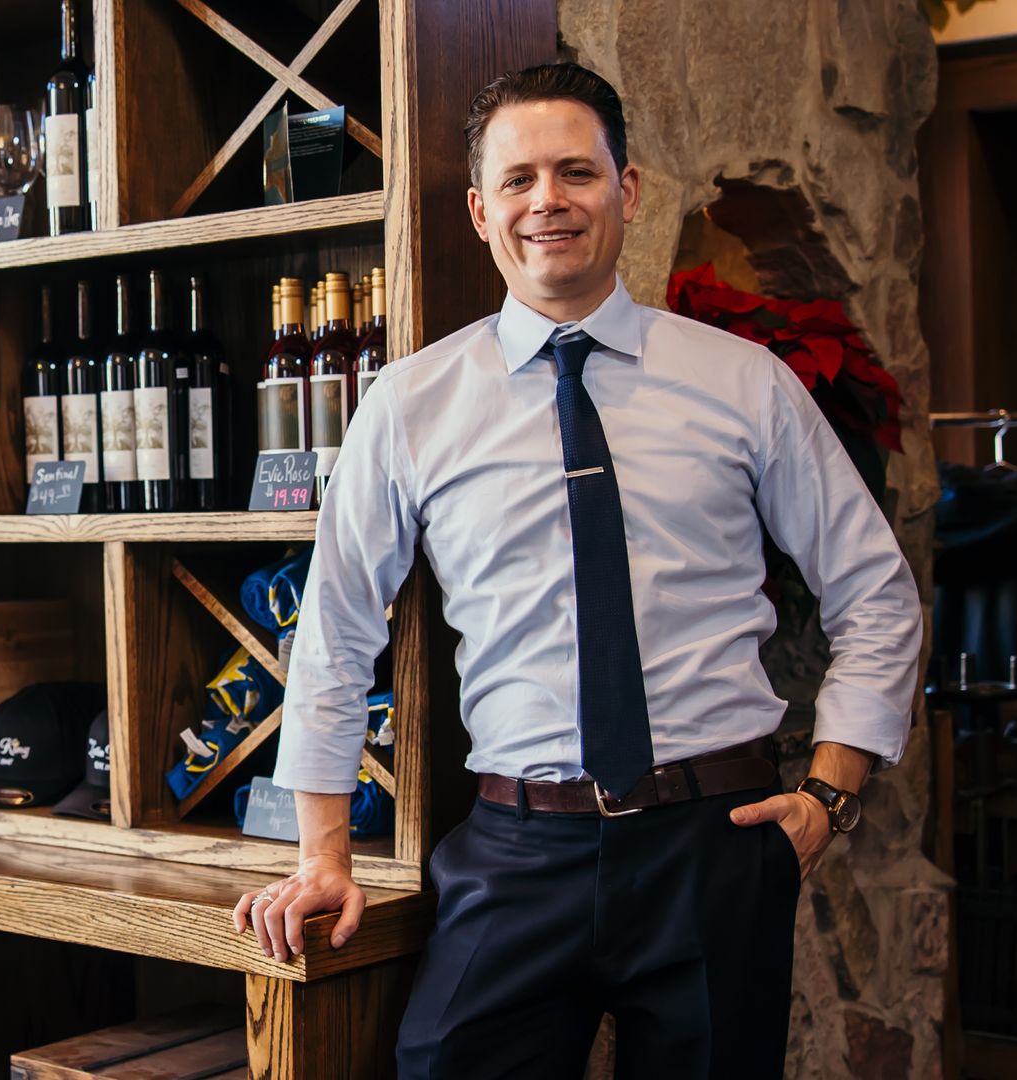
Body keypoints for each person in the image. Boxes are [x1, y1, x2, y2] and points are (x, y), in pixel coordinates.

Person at [230, 62, 921, 1078]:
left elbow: (875, 592)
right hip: (516, 854)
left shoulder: (746, 385)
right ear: (479, 210)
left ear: (627, 190)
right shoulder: (411, 405)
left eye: (575, 172)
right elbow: (335, 633)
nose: (546, 201)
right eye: (517, 180)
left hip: (712, 849)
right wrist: (321, 856)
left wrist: (831, 793)